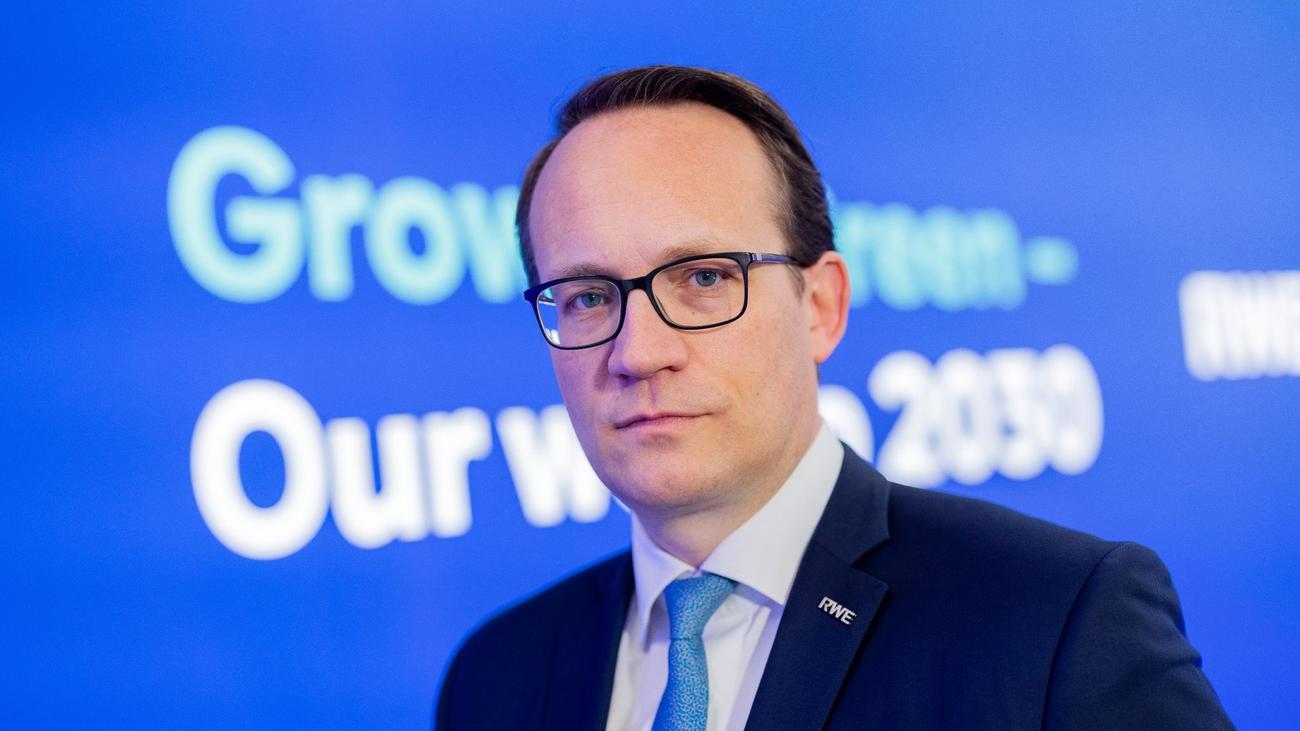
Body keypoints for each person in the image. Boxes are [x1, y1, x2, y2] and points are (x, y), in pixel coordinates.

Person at [436, 65, 1232, 730]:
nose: (638, 351)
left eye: (704, 278)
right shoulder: (495, 677)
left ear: (821, 306)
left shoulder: (1055, 620)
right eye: (586, 297)